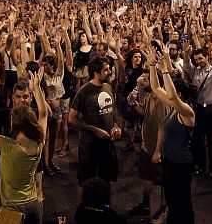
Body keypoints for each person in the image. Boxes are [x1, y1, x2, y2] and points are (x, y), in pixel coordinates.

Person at [0, 67, 47, 224]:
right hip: (32, 204)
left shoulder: (8, 146)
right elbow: (44, 113)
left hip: (10, 206)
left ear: (14, 124)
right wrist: (37, 89)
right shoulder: (40, 141)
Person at [149, 44, 197, 224]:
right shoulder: (173, 108)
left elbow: (173, 97)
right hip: (170, 160)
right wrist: (153, 66)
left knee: (181, 201)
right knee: (171, 198)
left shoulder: (187, 111)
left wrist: (165, 71)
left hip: (181, 163)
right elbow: (155, 88)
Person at [69, 55, 120, 203]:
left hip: (107, 143)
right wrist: (94, 129)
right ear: (96, 72)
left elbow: (112, 109)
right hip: (89, 145)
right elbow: (72, 118)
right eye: (106, 70)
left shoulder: (108, 86)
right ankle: (81, 213)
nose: (109, 72)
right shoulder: (84, 91)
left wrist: (116, 126)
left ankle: (105, 210)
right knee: (85, 181)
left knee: (106, 179)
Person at [127, 47, 168, 221]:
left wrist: (158, 151)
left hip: (158, 149)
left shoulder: (161, 100)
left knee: (162, 180)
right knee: (146, 176)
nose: (142, 81)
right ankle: (145, 204)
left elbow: (162, 127)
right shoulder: (151, 96)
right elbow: (145, 114)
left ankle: (163, 208)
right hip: (147, 145)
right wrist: (135, 104)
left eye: (145, 79)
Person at [184, 41, 212, 179]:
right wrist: (186, 53)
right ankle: (200, 166)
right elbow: (186, 65)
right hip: (198, 109)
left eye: (200, 58)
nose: (198, 61)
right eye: (196, 59)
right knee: (198, 141)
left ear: (207, 57)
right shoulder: (194, 71)